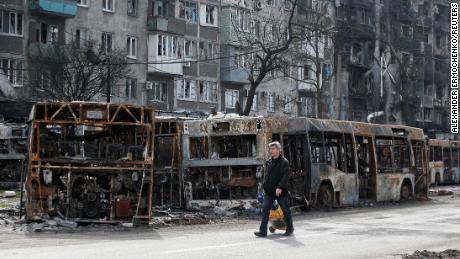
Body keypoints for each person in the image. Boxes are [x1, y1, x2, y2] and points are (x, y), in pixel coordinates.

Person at [254, 141, 294, 237]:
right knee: (265, 208)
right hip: (270, 191)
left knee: (285, 210)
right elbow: (266, 176)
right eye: (270, 149)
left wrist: (280, 187)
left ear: (278, 150)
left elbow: (285, 176)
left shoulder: (284, 162)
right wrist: (264, 186)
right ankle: (263, 231)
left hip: (281, 191)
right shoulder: (269, 162)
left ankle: (290, 228)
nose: (270, 151)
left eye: (273, 149)